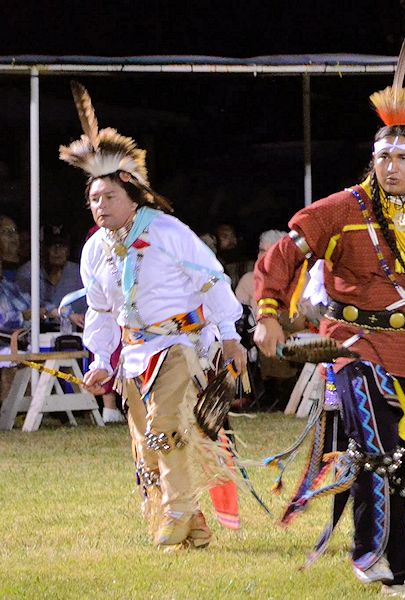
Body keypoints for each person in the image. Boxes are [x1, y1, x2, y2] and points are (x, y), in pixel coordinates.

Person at [254, 33, 405, 599]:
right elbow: (285, 253)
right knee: (377, 447)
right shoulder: (343, 209)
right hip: (351, 341)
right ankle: (379, 561)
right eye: (382, 156)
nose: (390, 166)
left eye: (402, 157)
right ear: (372, 159)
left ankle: (397, 566)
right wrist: (268, 313)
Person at [59, 82, 246, 549]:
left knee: (166, 427)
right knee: (145, 442)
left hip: (179, 345)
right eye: (94, 199)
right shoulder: (95, 250)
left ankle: (177, 510)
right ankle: (192, 524)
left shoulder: (166, 231)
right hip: (133, 353)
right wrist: (100, 359)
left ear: (132, 196)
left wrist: (228, 334)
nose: (100, 207)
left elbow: (214, 280)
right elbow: (102, 309)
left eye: (108, 198)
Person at [17, 225, 86, 329]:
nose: (57, 251)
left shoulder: (78, 273)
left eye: (62, 246)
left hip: (73, 334)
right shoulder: (28, 272)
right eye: (51, 245)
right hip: (35, 334)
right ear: (42, 248)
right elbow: (27, 307)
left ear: (68, 250)